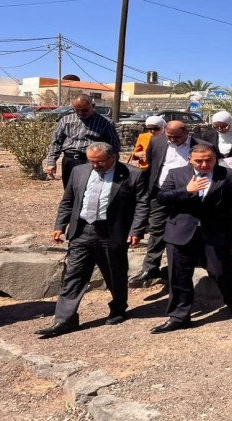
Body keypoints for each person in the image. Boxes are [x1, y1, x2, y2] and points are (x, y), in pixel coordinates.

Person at [37, 143, 149, 338]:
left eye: (100, 162)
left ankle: (118, 309)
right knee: (73, 276)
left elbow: (142, 205)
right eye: (92, 161)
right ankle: (64, 320)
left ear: (113, 157)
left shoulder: (133, 174)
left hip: (111, 232)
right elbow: (68, 201)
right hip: (81, 230)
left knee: (114, 274)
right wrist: (60, 225)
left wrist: (136, 230)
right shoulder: (79, 171)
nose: (95, 166)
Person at [152, 143, 232, 333]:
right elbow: (161, 198)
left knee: (221, 273)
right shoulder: (176, 174)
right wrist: (186, 191)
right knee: (179, 276)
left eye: (209, 160)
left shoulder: (230, 176)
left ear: (215, 159)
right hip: (180, 233)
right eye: (199, 161)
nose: (204, 165)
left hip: (216, 234)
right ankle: (179, 316)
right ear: (190, 159)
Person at [132, 121, 209, 285]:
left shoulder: (202, 146)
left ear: (186, 132)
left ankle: (194, 262)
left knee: (189, 228)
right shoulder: (157, 141)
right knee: (156, 228)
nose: (173, 140)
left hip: (189, 193)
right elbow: (151, 165)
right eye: (169, 136)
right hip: (161, 193)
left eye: (177, 137)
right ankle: (150, 267)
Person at [44, 95, 122, 188]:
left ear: (93, 106)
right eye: (77, 110)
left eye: (85, 110)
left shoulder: (105, 123)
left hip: (92, 162)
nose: (80, 113)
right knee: (70, 190)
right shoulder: (66, 120)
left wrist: (111, 165)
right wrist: (51, 162)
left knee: (88, 189)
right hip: (69, 160)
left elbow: (114, 146)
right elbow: (56, 142)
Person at [196, 110, 232, 184]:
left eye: (224, 126)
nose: (220, 129)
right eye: (216, 126)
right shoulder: (208, 135)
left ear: (230, 123)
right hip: (218, 175)